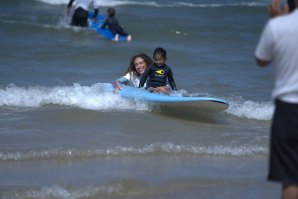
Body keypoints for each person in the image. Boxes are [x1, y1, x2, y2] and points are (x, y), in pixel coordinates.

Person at [255, 0, 298, 198]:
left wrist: (276, 21)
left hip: (290, 108)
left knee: (291, 178)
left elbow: (262, 60)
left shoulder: (278, 26)